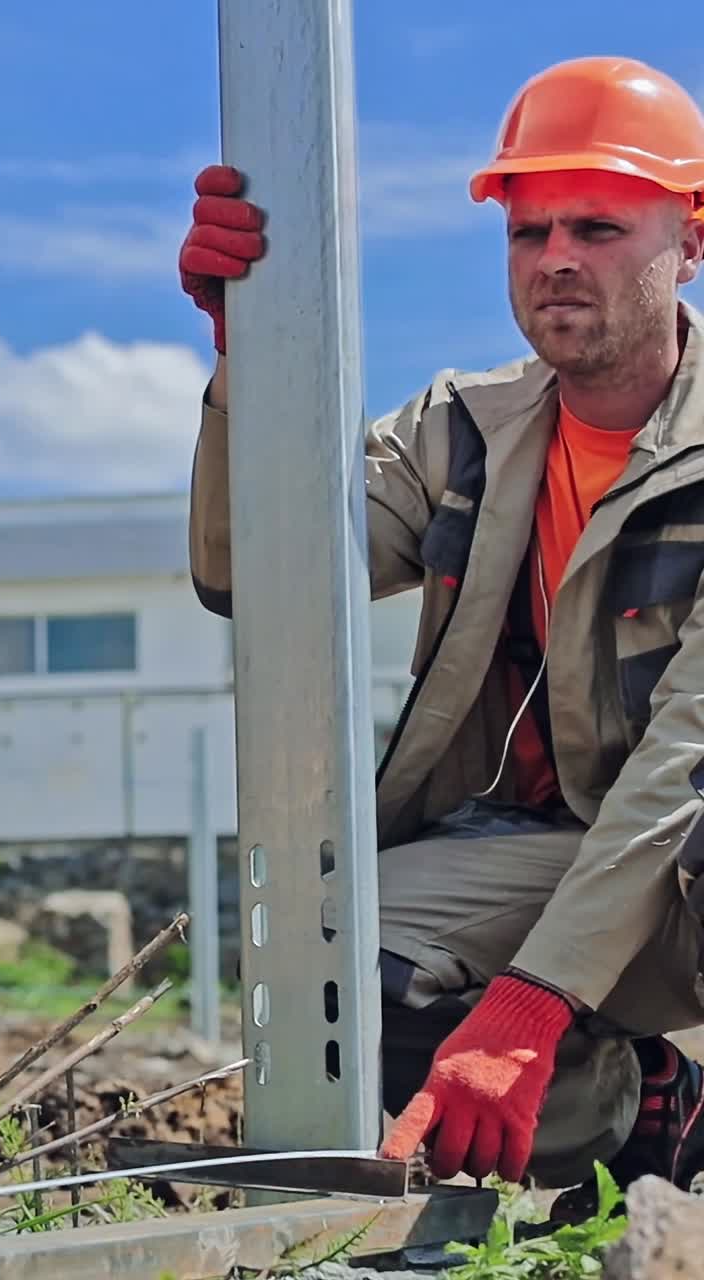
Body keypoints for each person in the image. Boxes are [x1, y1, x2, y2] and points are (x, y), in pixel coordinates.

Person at [181, 54, 704, 1201]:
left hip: (682, 859)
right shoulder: (460, 431)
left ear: (689, 239)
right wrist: (244, 365)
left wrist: (527, 1000)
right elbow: (246, 576)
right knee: (328, 957)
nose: (555, 257)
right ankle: (641, 1108)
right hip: (549, 847)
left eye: (598, 227)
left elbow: (685, 765)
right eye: (528, 232)